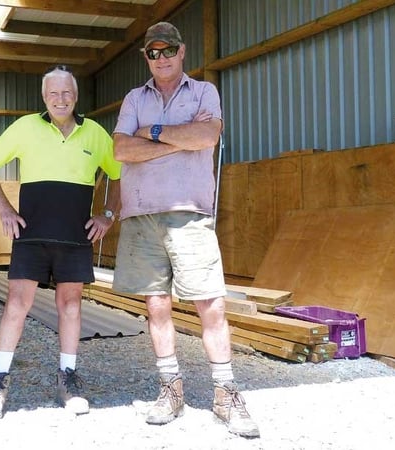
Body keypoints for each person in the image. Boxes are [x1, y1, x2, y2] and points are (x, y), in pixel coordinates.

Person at [111, 22, 260, 438]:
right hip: (141, 214)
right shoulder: (133, 98)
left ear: (182, 52)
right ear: (146, 57)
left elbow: (208, 134)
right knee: (156, 305)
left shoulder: (203, 92)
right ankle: (170, 388)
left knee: (211, 304)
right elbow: (121, 149)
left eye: (168, 50)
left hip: (190, 213)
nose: (161, 58)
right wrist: (181, 139)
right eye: (153, 52)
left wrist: (154, 134)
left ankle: (225, 392)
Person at [0, 65, 121, 420]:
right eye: (53, 93)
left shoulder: (96, 134)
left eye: (67, 93)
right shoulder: (26, 127)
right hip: (31, 235)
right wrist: (4, 209)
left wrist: (107, 216)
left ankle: (68, 380)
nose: (60, 99)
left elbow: (119, 175)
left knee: (70, 305)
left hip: (75, 237)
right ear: (44, 97)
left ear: (76, 96)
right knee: (16, 304)